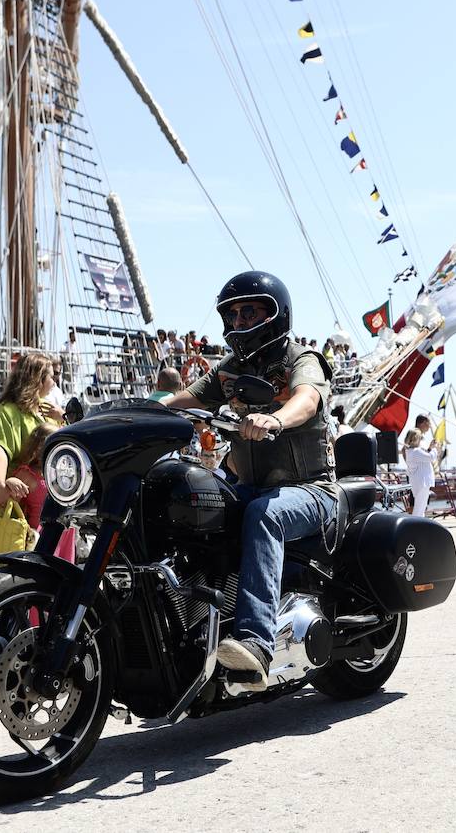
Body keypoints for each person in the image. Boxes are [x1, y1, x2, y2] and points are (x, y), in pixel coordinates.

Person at [164, 271, 336, 693]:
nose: (239, 322)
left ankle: (256, 644)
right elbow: (186, 398)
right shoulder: (230, 370)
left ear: (275, 315)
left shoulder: (301, 359)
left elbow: (307, 399)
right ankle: (193, 634)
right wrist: (139, 409)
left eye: (249, 313)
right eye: (234, 315)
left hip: (311, 489)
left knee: (262, 514)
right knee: (194, 506)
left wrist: (275, 419)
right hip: (251, 487)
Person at [0, 353, 63, 518]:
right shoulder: (6, 412)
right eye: (52, 376)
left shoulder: (48, 409)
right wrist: (0, 488)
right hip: (16, 496)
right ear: (38, 379)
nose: (55, 381)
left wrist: (63, 417)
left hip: (43, 499)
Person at [404, 428, 437, 517]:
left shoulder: (410, 451)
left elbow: (424, 457)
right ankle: (416, 523)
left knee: (420, 506)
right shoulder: (416, 451)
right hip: (423, 482)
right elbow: (430, 457)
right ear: (416, 439)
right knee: (420, 507)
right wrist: (434, 449)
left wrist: (430, 448)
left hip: (417, 482)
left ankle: (419, 522)